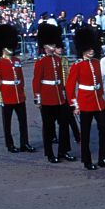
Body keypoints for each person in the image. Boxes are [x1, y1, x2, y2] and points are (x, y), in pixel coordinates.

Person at [67, 26, 105, 171]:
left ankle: (103, 158)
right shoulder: (77, 65)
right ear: (83, 49)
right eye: (88, 48)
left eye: (92, 48)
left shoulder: (96, 63)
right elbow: (70, 87)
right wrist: (75, 104)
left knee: (104, 130)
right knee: (86, 133)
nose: (91, 50)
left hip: (98, 102)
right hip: (85, 102)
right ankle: (87, 160)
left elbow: (99, 82)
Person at [32, 23, 76, 164]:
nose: (53, 47)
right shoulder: (40, 62)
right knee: (49, 128)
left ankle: (63, 151)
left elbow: (62, 80)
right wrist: (37, 98)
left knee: (64, 125)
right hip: (47, 97)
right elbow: (36, 81)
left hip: (60, 97)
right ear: (44, 47)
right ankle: (50, 153)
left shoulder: (58, 60)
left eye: (53, 44)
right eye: (50, 45)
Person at [0, 24, 35, 154]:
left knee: (23, 122)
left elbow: (20, 78)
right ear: (3, 48)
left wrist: (22, 92)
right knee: (7, 123)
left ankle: (24, 143)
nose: (11, 49)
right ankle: (10, 145)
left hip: (18, 95)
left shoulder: (16, 60)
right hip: (7, 95)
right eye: (8, 47)